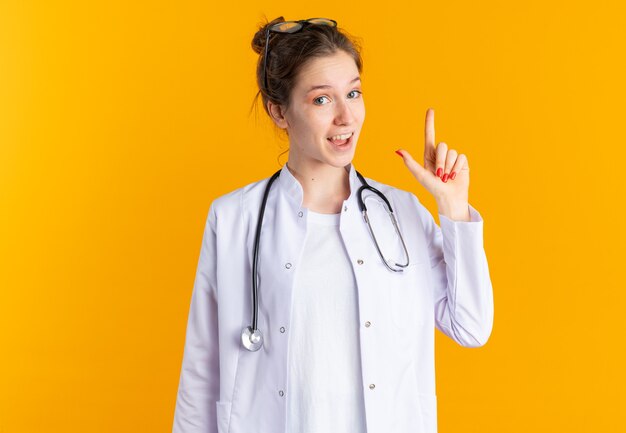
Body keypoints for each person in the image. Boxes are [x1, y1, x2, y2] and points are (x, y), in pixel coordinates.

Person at [172, 16, 494, 433]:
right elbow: (202, 371)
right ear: (279, 112)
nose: (346, 117)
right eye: (322, 100)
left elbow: (470, 325)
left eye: (354, 93)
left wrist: (454, 209)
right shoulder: (234, 218)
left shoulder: (402, 213)